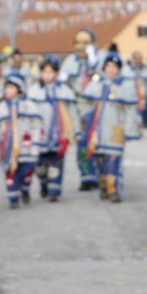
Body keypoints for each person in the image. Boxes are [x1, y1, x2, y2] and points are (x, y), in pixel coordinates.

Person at [81, 53, 141, 203]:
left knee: (113, 160)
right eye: (108, 66)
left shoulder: (125, 86)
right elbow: (86, 104)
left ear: (119, 69)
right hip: (98, 130)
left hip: (116, 128)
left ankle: (114, 189)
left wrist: (130, 129)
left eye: (114, 66)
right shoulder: (97, 84)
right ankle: (103, 186)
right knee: (100, 159)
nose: (111, 69)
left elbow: (130, 111)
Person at [0, 73, 42, 209]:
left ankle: (25, 188)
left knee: (26, 171)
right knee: (10, 172)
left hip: (26, 146)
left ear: (20, 88)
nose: (8, 91)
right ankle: (13, 197)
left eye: (11, 87)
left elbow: (36, 127)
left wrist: (36, 144)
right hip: (8, 148)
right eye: (7, 88)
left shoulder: (29, 106)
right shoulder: (1, 108)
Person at [28, 57, 77, 203]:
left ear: (56, 73)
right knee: (40, 166)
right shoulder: (33, 91)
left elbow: (72, 112)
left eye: (51, 72)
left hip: (58, 133)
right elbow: (29, 114)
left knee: (56, 163)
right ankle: (43, 183)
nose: (48, 75)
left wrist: (74, 130)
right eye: (45, 71)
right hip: (40, 134)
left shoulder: (64, 91)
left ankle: (54, 190)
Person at [59, 29, 104, 190]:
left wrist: (93, 63)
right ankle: (86, 176)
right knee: (81, 142)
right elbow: (62, 84)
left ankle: (101, 175)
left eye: (86, 43)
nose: (82, 46)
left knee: (97, 141)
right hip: (77, 107)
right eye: (78, 42)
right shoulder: (69, 61)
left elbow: (105, 77)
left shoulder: (100, 59)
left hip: (96, 106)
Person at [124, 51, 147, 128]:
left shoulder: (145, 70)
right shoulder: (127, 70)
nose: (138, 60)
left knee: (142, 114)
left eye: (140, 58)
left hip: (142, 97)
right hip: (131, 96)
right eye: (136, 58)